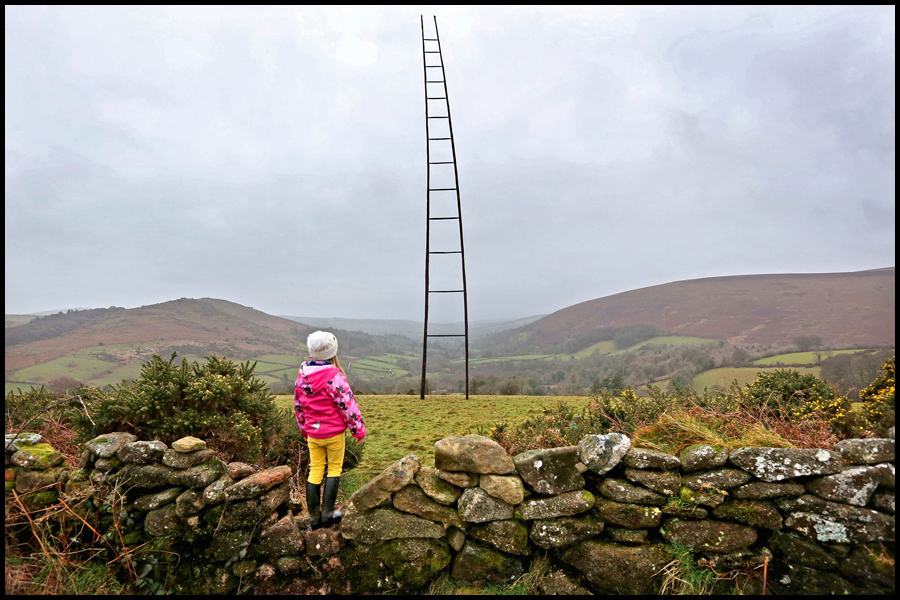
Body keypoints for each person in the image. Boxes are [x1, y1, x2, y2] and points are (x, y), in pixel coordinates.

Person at [294, 331, 366, 530]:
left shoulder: (302, 376)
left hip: (313, 434)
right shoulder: (335, 377)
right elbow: (348, 406)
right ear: (332, 353)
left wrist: (304, 428)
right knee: (334, 469)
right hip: (333, 434)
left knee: (316, 469)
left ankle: (314, 518)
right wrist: (358, 430)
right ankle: (327, 514)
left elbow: (298, 405)